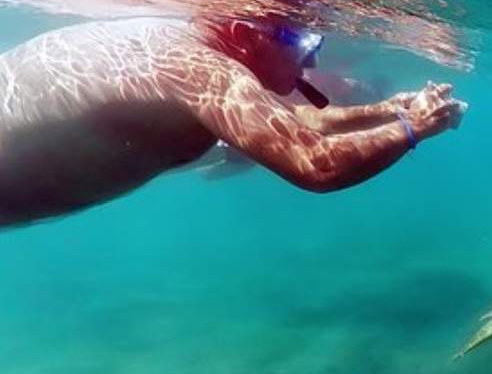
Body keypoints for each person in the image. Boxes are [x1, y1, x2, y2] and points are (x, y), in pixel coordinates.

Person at [0, 16, 467, 228]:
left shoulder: (199, 61)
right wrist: (414, 129)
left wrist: (391, 110)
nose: (312, 58)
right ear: (244, 35)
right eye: (302, 39)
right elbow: (317, 164)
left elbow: (293, 124)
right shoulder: (202, 68)